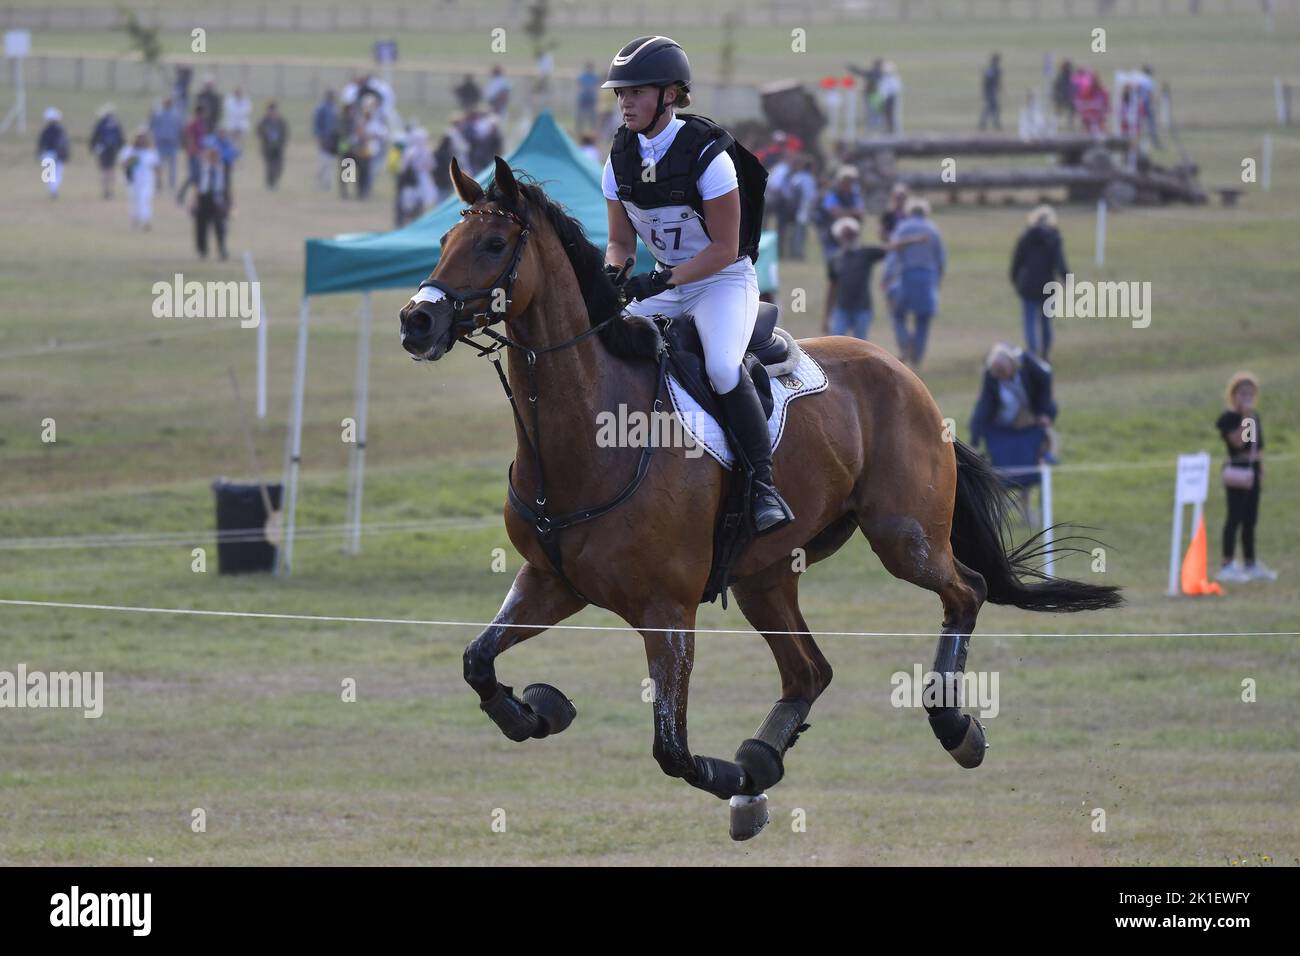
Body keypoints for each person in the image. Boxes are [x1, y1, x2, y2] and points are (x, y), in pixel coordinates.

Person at [601, 35, 792, 535]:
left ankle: (763, 486)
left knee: (724, 366)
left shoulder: (710, 156)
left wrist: (660, 278)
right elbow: (619, 242)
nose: (625, 101)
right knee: (601, 345)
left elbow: (725, 248)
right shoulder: (617, 161)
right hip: (666, 282)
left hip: (723, 281)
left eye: (637, 91)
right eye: (620, 92)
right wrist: (613, 275)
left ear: (670, 95)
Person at [1215, 373, 1277, 582]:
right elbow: (1238, 443)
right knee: (1234, 518)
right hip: (1236, 473)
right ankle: (1227, 563)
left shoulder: (1253, 417)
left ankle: (1250, 563)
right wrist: (1245, 417)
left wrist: (1258, 465)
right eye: (1243, 393)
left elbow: (1254, 446)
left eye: (1251, 393)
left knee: (1250, 519)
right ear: (1233, 395)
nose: (1247, 397)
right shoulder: (1228, 418)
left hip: (1252, 472)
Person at [824, 216, 927, 339]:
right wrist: (826, 316)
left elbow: (892, 246)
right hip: (841, 309)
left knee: (859, 346)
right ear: (840, 237)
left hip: (862, 308)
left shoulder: (866, 254)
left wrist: (914, 240)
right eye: (847, 235)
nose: (850, 238)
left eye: (852, 234)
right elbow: (832, 288)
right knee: (836, 343)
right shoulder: (835, 260)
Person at [888, 197, 945, 367]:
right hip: (928, 277)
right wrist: (938, 280)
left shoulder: (903, 228)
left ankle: (905, 344)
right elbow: (941, 259)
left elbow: (894, 254)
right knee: (923, 319)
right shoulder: (933, 230)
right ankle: (917, 357)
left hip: (906, 276)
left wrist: (887, 276)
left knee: (898, 315)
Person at [968, 343, 1057, 453]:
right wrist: (974, 442)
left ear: (1012, 364)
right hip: (1002, 423)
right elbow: (983, 407)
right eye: (996, 373)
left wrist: (1045, 413)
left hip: (1031, 416)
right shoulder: (991, 377)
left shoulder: (1028, 364)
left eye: (1002, 371)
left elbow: (1046, 376)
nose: (1000, 376)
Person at [1009, 204, 1069, 362]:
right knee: (1046, 321)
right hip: (1047, 286)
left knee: (1029, 321)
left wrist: (1015, 279)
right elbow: (1060, 262)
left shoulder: (1025, 237)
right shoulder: (1054, 238)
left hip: (1028, 285)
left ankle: (1032, 353)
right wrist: (1066, 279)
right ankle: (1046, 352)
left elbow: (1017, 261)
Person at [191, 138, 230, 259]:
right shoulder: (203, 168)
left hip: (218, 198)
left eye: (215, 154)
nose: (213, 157)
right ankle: (202, 251)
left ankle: (222, 250)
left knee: (220, 227)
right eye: (211, 154)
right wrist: (195, 201)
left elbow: (227, 186)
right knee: (201, 227)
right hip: (204, 198)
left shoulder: (222, 168)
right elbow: (197, 185)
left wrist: (228, 202)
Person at [817, 165, 865, 261]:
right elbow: (835, 213)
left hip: (851, 231)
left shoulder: (855, 195)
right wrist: (852, 212)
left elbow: (860, 213)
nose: (849, 183)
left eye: (851, 181)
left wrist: (844, 212)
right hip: (831, 231)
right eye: (847, 180)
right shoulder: (832, 194)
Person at [118, 128, 162, 229]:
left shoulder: (151, 152)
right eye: (139, 138)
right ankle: (135, 220)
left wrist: (159, 182)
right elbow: (123, 164)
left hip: (147, 181)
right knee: (134, 201)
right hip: (132, 181)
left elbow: (157, 168)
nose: (141, 140)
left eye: (143, 138)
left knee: (144, 200)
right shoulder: (129, 150)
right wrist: (132, 160)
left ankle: (146, 221)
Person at [89, 104, 125, 199]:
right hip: (113, 150)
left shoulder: (101, 123)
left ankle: (105, 191)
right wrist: (121, 149)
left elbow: (94, 137)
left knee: (104, 170)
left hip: (102, 150)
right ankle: (111, 191)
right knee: (111, 170)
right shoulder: (116, 124)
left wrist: (92, 148)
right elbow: (121, 138)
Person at [149, 96, 183, 190]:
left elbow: (179, 129)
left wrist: (178, 141)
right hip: (161, 143)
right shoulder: (157, 114)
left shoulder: (176, 115)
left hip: (172, 143)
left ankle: (172, 185)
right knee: (159, 165)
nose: (167, 104)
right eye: (166, 102)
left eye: (169, 103)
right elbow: (152, 126)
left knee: (172, 167)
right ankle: (158, 184)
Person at [36, 107, 70, 199]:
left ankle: (52, 190)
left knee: (49, 175)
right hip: (56, 154)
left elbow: (41, 144)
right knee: (57, 173)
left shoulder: (45, 130)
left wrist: (39, 153)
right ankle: (54, 190)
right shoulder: (60, 130)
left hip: (47, 154)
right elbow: (65, 143)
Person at [256, 101, 289, 189]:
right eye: (271, 111)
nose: (272, 112)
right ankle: (270, 184)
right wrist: (265, 135)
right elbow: (258, 132)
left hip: (278, 147)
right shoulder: (263, 120)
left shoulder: (281, 121)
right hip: (267, 148)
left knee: (279, 167)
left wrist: (282, 143)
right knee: (270, 166)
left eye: (274, 110)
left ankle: (275, 182)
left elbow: (285, 133)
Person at [313, 90, 339, 190]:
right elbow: (317, 124)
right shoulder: (322, 108)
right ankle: (318, 184)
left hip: (333, 140)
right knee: (323, 163)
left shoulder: (334, 108)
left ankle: (327, 184)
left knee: (330, 163)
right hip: (324, 139)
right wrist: (318, 136)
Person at [979, 53, 1002, 131]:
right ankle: (995, 124)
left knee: (989, 108)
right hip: (990, 91)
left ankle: (983, 123)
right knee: (994, 107)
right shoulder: (995, 70)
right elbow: (996, 82)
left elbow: (984, 81)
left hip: (989, 91)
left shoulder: (989, 69)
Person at [576, 61, 601, 133]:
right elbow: (579, 85)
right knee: (580, 116)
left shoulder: (595, 76)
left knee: (592, 116)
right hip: (583, 98)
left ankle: (592, 131)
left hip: (591, 99)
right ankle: (579, 131)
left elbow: (596, 86)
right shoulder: (582, 76)